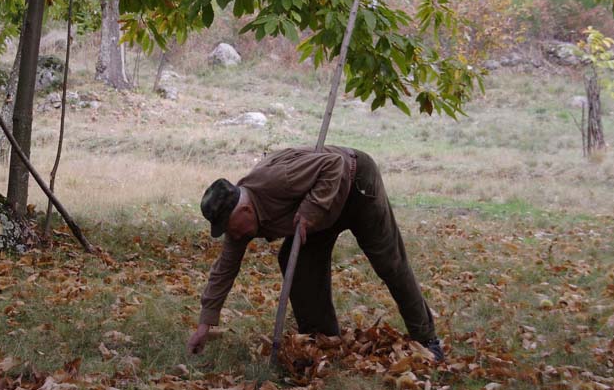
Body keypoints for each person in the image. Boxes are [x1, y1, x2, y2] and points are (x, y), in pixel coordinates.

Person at [186, 145, 444, 361]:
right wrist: (204, 324)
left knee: (390, 262)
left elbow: (334, 164)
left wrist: (310, 210)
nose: (236, 236)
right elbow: (224, 269)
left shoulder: (279, 179)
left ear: (244, 211)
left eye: (232, 229)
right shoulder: (237, 223)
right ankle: (324, 342)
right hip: (318, 210)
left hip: (356, 183)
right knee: (294, 262)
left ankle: (427, 338)